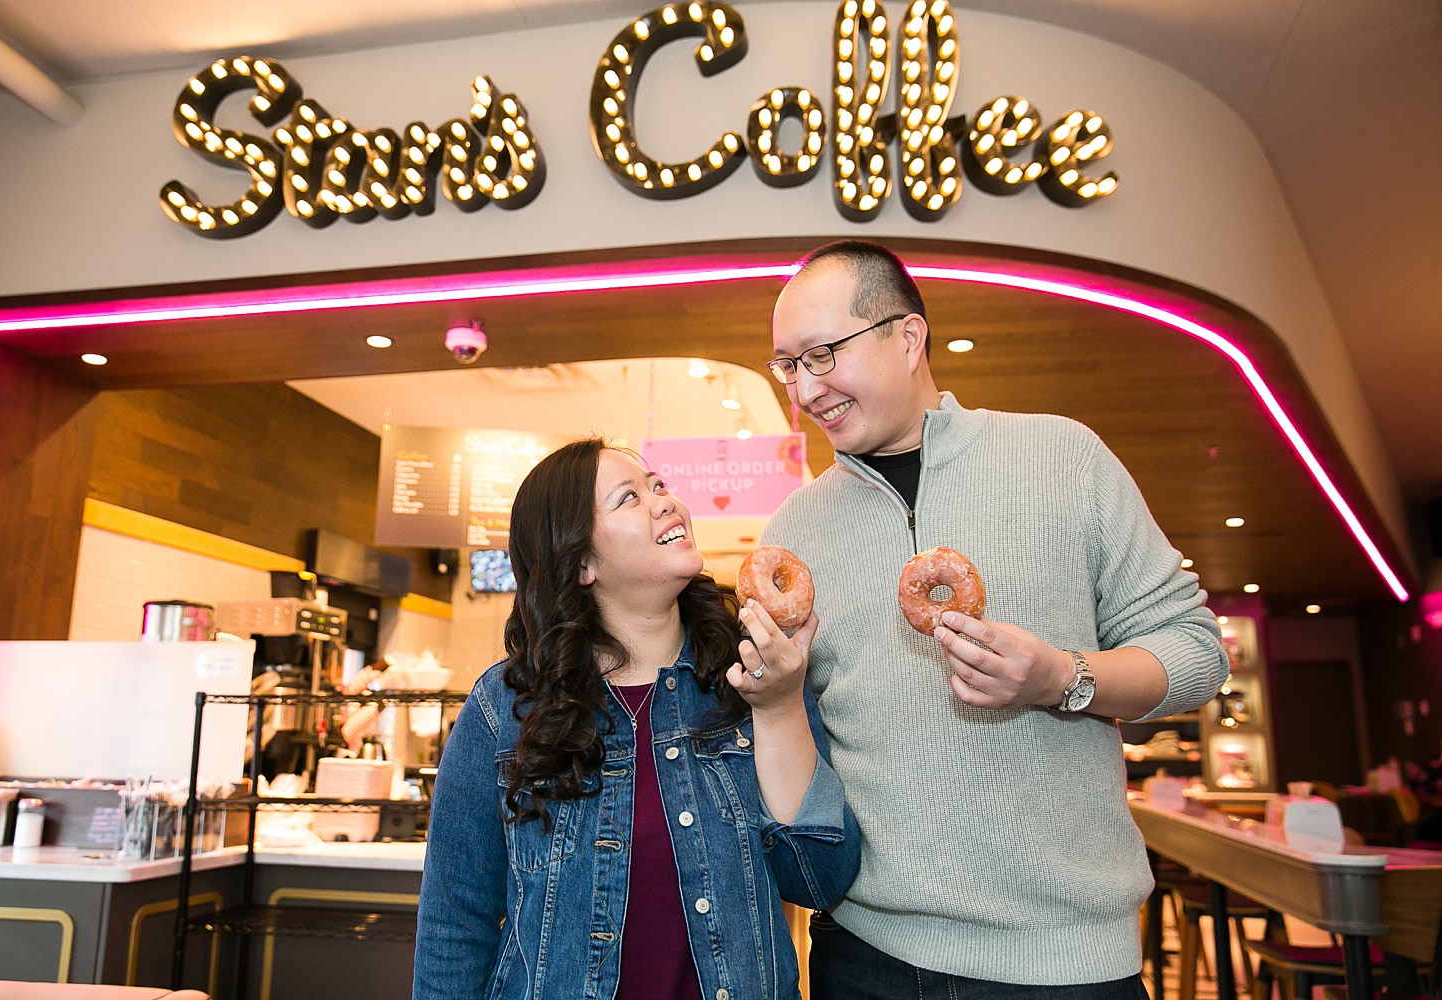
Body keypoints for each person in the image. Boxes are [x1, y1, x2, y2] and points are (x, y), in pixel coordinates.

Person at [761, 240, 1229, 998]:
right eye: (788, 366)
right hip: (866, 954)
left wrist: (1060, 677)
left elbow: (1196, 654)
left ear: (907, 337)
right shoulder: (795, 528)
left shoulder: (1062, 458)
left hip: (1067, 962)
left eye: (822, 355)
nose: (805, 389)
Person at [413, 438, 860, 1000]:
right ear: (581, 563)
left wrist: (779, 709)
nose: (664, 501)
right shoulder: (503, 709)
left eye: (658, 485)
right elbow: (455, 926)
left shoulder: (757, 672)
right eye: (628, 498)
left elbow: (820, 878)